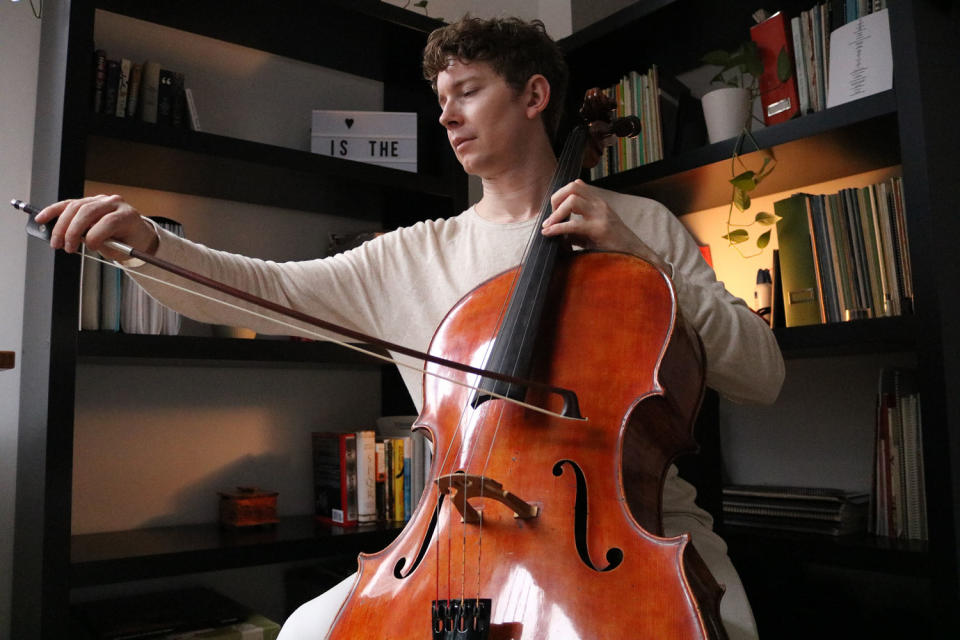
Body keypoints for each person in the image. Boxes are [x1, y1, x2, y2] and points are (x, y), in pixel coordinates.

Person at [37, 16, 783, 639]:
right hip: (457, 539)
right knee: (304, 631)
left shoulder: (642, 225)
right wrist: (152, 247)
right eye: (439, 100)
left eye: (466, 92)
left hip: (637, 530)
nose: (447, 115)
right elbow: (261, 290)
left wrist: (638, 253)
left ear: (533, 94)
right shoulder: (417, 253)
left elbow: (761, 374)